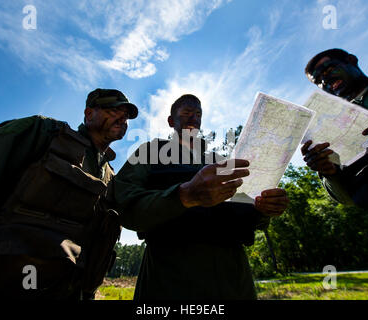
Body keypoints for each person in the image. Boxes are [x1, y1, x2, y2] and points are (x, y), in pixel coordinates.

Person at [0, 88, 138, 300]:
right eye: (114, 110)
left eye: (126, 116)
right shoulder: (42, 133)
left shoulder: (111, 178)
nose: (122, 119)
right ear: (89, 113)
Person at [114, 94, 289, 300]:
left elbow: (247, 212)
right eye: (186, 113)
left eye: (198, 114)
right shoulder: (149, 152)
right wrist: (183, 196)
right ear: (171, 121)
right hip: (169, 281)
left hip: (233, 280)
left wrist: (263, 209)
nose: (193, 119)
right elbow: (124, 204)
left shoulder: (218, 161)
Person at [301, 48, 368, 299]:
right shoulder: (331, 129)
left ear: (351, 61)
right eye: (318, 80)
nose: (324, 80)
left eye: (327, 69)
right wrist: (329, 172)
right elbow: (347, 198)